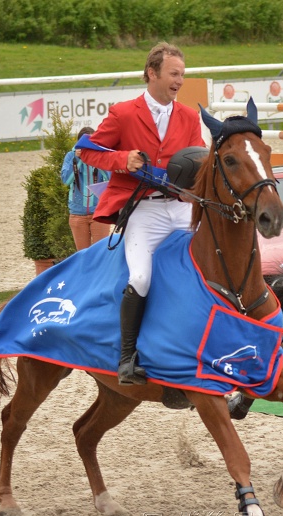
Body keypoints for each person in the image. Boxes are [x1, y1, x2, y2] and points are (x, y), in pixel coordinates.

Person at [78, 42, 205, 385]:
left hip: (180, 206)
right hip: (144, 210)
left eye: (182, 75)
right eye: (174, 74)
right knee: (141, 278)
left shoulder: (189, 116)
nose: (180, 81)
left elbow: (199, 160)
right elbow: (86, 151)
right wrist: (122, 160)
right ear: (152, 73)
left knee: (209, 268)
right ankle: (127, 357)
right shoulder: (123, 113)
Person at [60, 127, 112, 250]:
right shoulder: (71, 156)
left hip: (99, 213)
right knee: (83, 255)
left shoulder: (102, 155)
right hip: (77, 213)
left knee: (100, 253)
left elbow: (110, 178)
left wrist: (97, 158)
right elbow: (66, 180)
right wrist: (78, 159)